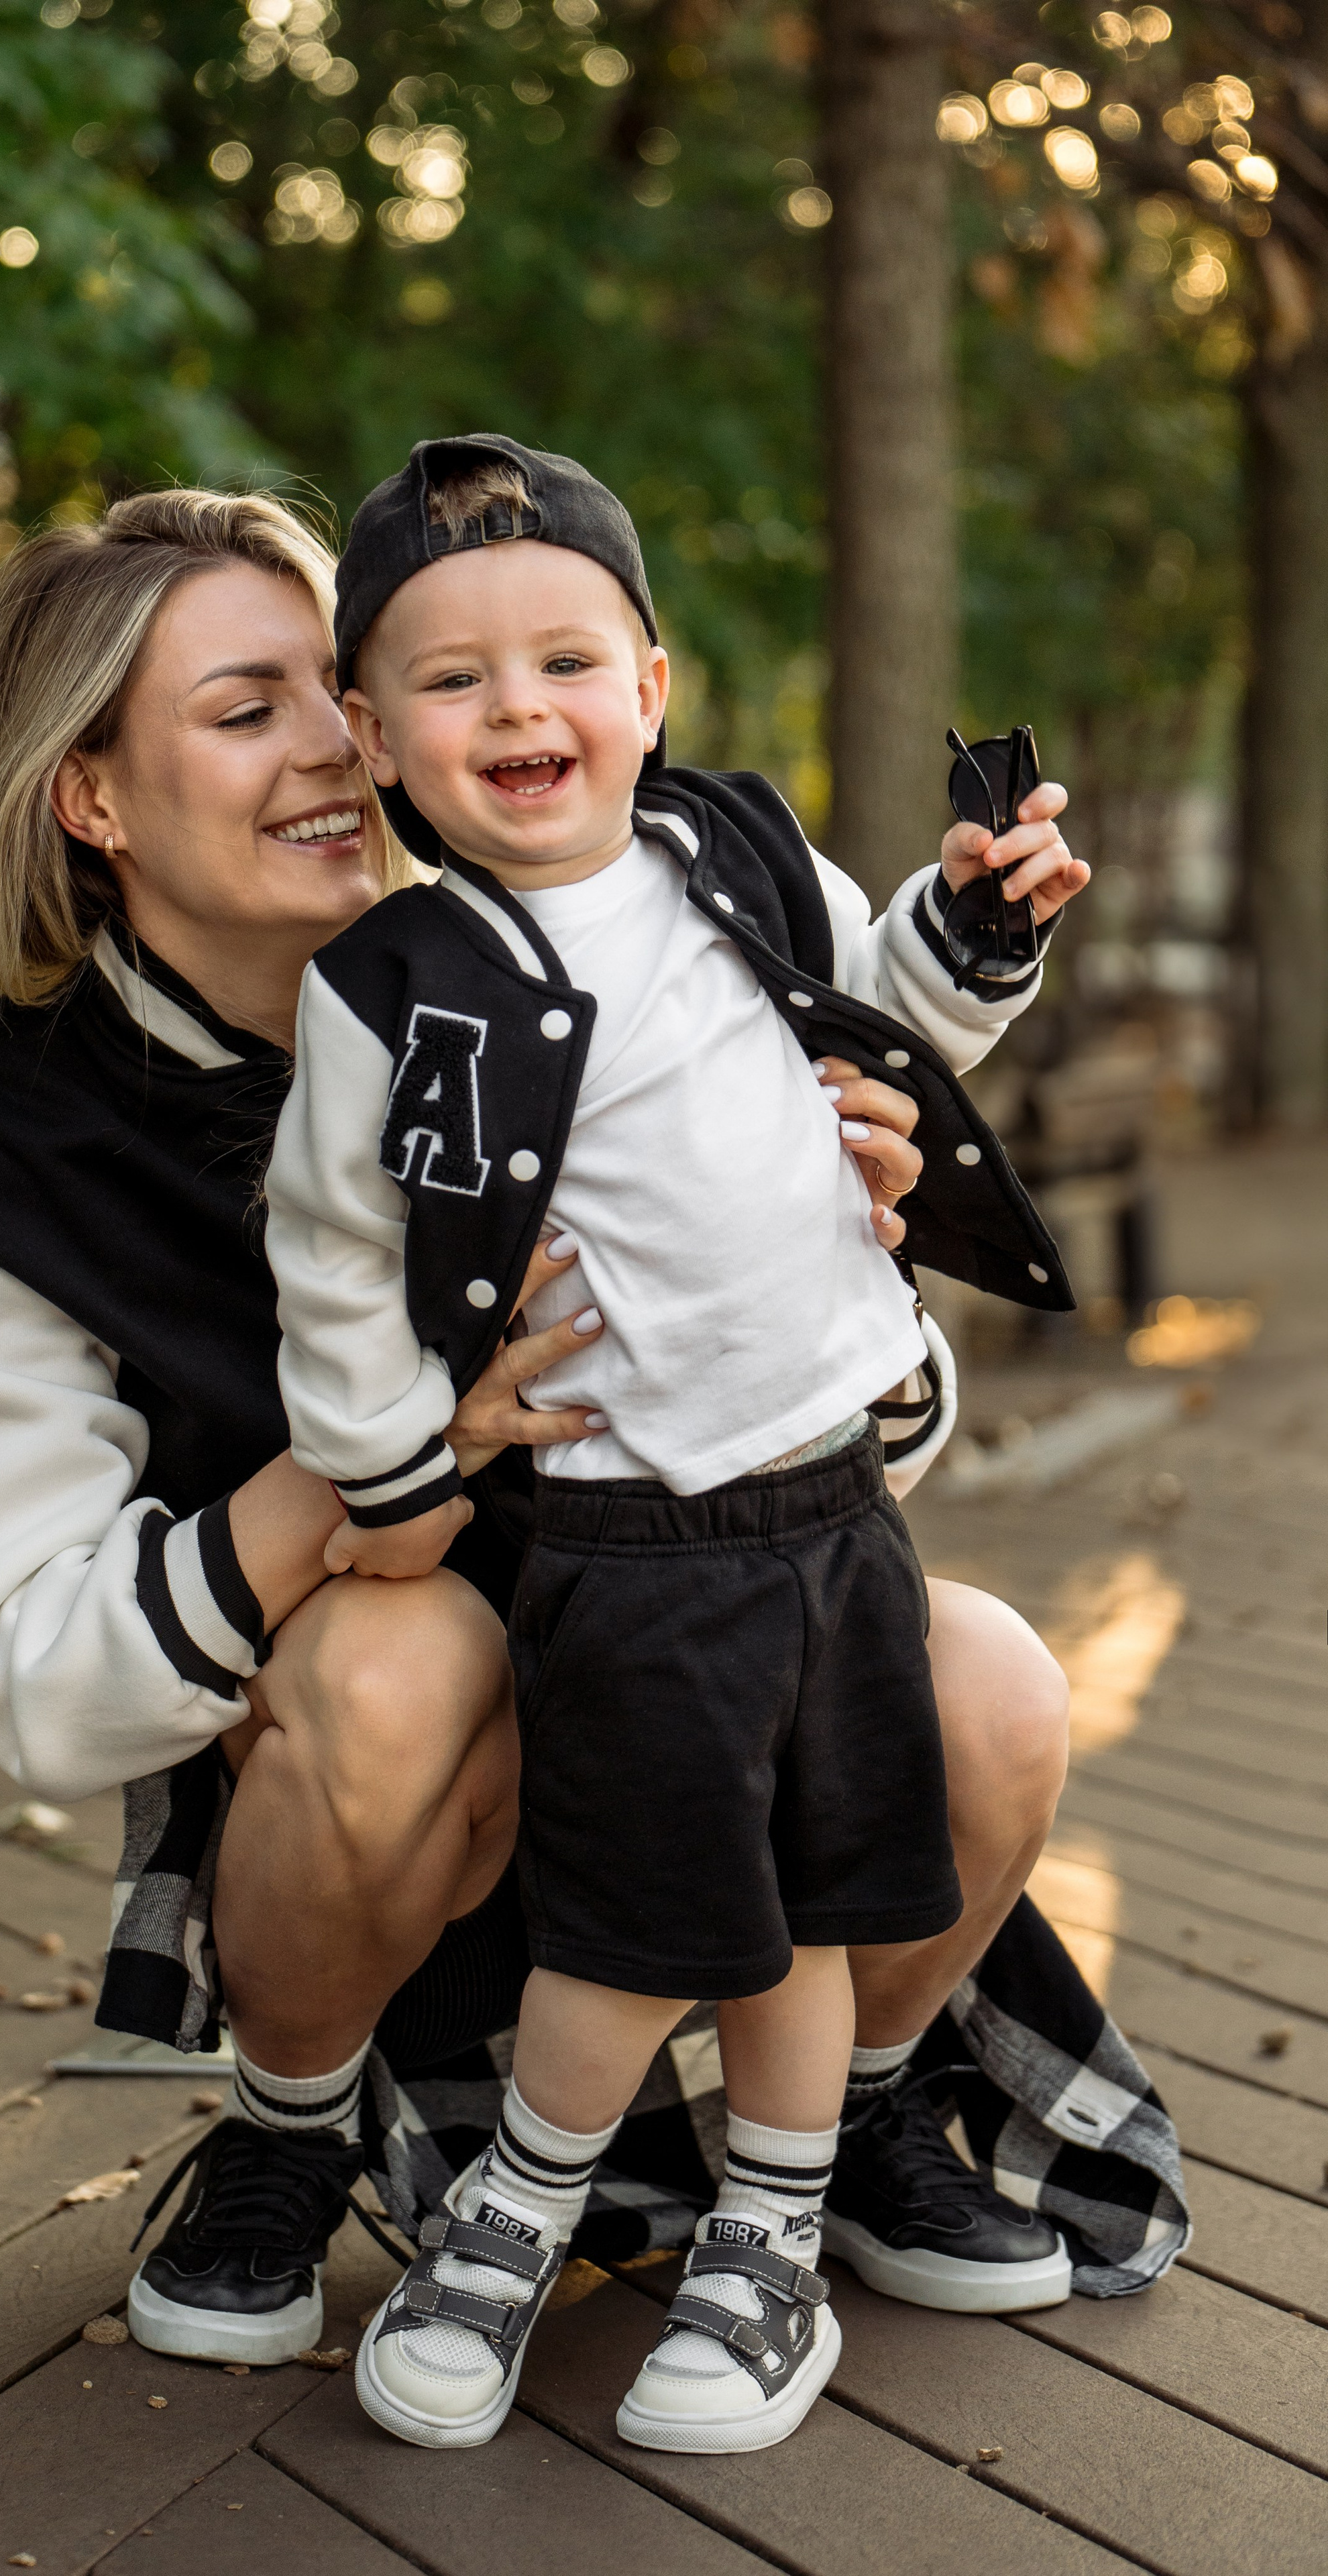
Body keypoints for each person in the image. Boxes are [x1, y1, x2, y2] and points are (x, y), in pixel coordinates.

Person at [0, 482, 1121, 2394]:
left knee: (996, 1685)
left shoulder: (612, 927)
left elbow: (874, 1450)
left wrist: (841, 1246)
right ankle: (291, 2120)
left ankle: (836, 2126)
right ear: (91, 798)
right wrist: (372, 1468)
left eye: (330, 695)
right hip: (384, 1822)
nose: (332, 755)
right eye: (242, 710)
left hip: (713, 1644)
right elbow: (45, 1693)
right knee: (396, 1658)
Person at [262, 435, 1091, 2455]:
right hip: (628, 1533)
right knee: (642, 1907)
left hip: (834, 1502)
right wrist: (389, 1471)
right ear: (371, 737)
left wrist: (969, 931)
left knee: (809, 1899)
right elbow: (334, 1249)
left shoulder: (730, 854)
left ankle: (773, 2247)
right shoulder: (395, 989)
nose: (518, 707)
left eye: (566, 658)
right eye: (452, 682)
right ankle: (520, 2206)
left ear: (652, 684)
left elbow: (881, 1007)